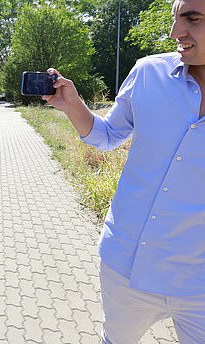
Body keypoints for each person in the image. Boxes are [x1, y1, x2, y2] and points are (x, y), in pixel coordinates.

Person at [44, 0, 205, 341]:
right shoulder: (148, 73)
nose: (176, 32)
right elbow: (107, 136)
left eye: (192, 19)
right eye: (175, 19)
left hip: (197, 283)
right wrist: (72, 104)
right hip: (125, 265)